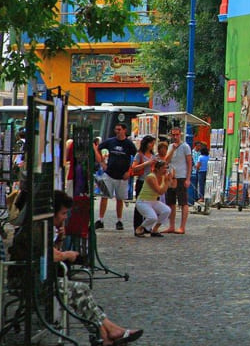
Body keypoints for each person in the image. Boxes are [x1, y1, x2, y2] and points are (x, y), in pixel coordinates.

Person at [10, 190, 143, 345]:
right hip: (26, 282)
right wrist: (67, 254)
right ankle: (107, 332)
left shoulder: (43, 227)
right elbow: (51, 256)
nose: (65, 217)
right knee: (78, 289)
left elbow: (50, 253)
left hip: (37, 279)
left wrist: (60, 239)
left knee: (82, 289)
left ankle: (105, 333)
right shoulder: (36, 228)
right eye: (63, 213)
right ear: (53, 213)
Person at [93, 123, 137, 231]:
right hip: (109, 173)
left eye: (119, 129)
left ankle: (119, 220)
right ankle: (100, 219)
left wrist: (129, 171)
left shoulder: (129, 144)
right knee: (104, 196)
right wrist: (102, 163)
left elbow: (136, 157)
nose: (117, 131)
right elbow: (98, 148)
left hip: (122, 176)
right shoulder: (110, 141)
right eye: (116, 129)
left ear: (124, 130)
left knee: (119, 199)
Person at [164, 126, 192, 234]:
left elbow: (189, 163)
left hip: (181, 176)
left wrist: (188, 178)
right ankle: (171, 226)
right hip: (171, 176)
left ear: (180, 134)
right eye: (173, 135)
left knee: (183, 202)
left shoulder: (185, 147)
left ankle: (182, 227)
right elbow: (166, 160)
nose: (175, 137)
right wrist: (173, 149)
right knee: (171, 202)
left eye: (177, 134)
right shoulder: (170, 146)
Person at [134, 161, 171, 237]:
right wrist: (167, 182)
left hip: (153, 201)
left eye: (166, 168)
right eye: (164, 168)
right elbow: (160, 191)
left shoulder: (164, 177)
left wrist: (172, 178)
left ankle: (155, 229)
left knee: (167, 210)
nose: (165, 170)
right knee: (152, 217)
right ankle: (139, 229)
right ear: (158, 169)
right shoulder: (151, 177)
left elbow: (174, 185)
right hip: (143, 201)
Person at [128, 136, 157, 232]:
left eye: (153, 143)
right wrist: (147, 163)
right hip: (142, 181)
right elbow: (134, 167)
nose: (152, 145)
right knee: (140, 205)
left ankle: (147, 226)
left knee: (150, 205)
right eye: (151, 143)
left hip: (151, 183)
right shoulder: (139, 155)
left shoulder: (153, 155)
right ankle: (137, 227)